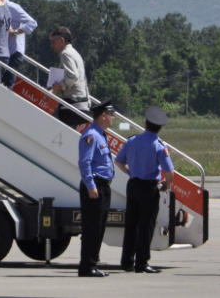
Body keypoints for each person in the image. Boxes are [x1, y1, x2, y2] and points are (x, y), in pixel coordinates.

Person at [115, 105, 173, 274]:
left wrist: (130, 172)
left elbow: (119, 161)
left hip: (133, 185)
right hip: (149, 187)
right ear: (160, 128)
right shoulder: (159, 146)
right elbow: (169, 172)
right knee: (146, 225)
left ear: (145, 124)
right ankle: (142, 262)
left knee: (131, 224)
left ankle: (127, 261)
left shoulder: (132, 141)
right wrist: (166, 184)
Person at [77, 98, 116, 277]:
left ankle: (93, 263)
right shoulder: (91, 135)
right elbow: (84, 163)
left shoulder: (100, 134)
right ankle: (87, 266)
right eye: (111, 114)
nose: (113, 117)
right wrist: (90, 185)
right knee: (92, 227)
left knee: (99, 227)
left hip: (103, 186)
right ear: (102, 116)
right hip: (94, 186)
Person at [48, 27, 90, 127]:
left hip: (74, 103)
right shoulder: (74, 53)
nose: (51, 45)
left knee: (51, 126)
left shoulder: (65, 54)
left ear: (61, 40)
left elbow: (72, 76)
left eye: (53, 41)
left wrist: (57, 87)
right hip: (82, 102)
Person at [2, 0, 37, 73]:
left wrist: (14, 32)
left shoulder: (10, 7)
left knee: (7, 80)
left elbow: (32, 23)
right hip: (6, 53)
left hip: (13, 52)